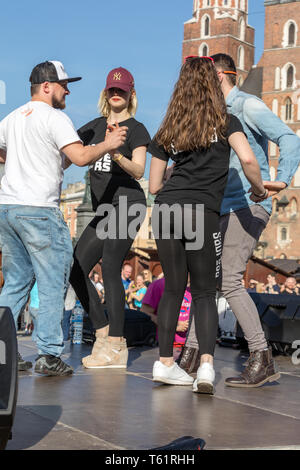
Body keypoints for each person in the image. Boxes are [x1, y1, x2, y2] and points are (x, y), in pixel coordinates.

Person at [148, 56, 268, 394]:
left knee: (173, 288)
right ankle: (205, 368)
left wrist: (178, 173)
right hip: (201, 213)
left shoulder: (169, 128)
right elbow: (247, 159)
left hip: (167, 209)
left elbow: (154, 185)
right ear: (213, 83)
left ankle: (165, 364)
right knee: (203, 292)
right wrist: (258, 191)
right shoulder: (225, 121)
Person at [0, 60, 128, 375]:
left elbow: (2, 154)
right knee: (54, 280)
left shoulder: (12, 118)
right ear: (46, 87)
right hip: (39, 210)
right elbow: (81, 156)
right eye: (63, 84)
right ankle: (49, 354)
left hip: (8, 208)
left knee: (15, 282)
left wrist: (24, 162)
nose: (67, 90)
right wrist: (108, 144)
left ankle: (2, 350)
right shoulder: (55, 117)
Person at [182, 53, 300, 388]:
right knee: (206, 283)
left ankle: (262, 358)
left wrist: (282, 179)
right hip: (221, 208)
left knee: (230, 280)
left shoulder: (247, 105)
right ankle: (190, 356)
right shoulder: (212, 115)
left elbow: (290, 138)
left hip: (249, 204)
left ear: (219, 75)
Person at [70, 67, 151, 369]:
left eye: (122, 90)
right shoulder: (92, 127)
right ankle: (103, 330)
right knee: (74, 266)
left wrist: (116, 151)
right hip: (105, 209)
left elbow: (140, 169)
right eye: (112, 90)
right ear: (106, 93)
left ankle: (117, 345)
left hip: (129, 203)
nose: (117, 94)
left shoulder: (137, 129)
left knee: (111, 265)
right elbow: (68, 151)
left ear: (131, 94)